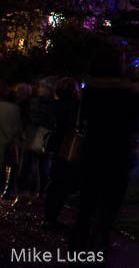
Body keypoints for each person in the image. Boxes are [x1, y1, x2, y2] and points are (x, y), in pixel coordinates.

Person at [70, 47, 139, 256]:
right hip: (118, 151)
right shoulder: (129, 91)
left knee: (87, 201)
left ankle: (79, 241)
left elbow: (83, 117)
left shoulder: (90, 89)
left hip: (93, 149)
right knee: (110, 204)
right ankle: (99, 242)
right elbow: (138, 119)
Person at [43, 77, 82, 229]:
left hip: (56, 144)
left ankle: (49, 216)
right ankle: (53, 217)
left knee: (55, 181)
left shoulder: (54, 105)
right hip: (68, 145)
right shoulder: (75, 107)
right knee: (64, 182)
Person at [0, 81, 23, 199]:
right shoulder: (15, 108)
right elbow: (17, 128)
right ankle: (7, 190)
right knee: (11, 166)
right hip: (10, 141)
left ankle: (3, 188)